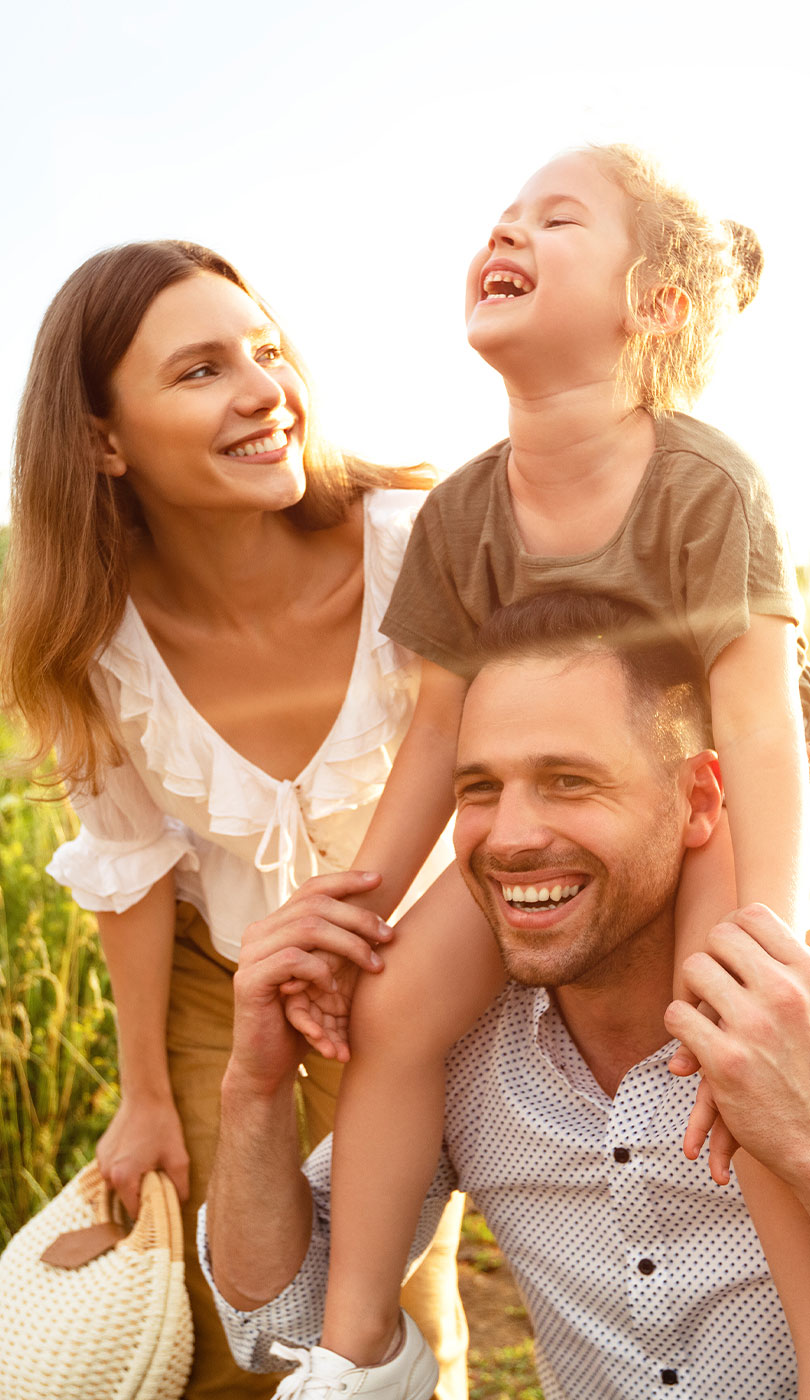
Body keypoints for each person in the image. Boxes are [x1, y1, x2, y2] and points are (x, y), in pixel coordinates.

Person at [265, 142, 810, 1392]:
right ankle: (351, 1353)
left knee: (740, 1039)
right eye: (500, 218)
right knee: (399, 1008)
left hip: (704, 809)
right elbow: (440, 746)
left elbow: (762, 727)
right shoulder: (463, 515)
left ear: (652, 307)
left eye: (554, 221)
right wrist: (358, 908)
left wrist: (766, 938)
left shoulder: (706, 484)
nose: (505, 235)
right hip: (545, 810)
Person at [0, 241, 468, 1400]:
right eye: (201, 370)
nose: (265, 389)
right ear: (103, 440)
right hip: (227, 983)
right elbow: (130, 866)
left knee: (395, 1315)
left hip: (431, 975)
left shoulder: (417, 543)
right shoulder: (87, 636)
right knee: (228, 1329)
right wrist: (147, 1095)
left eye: (267, 350)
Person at [201, 590, 810, 1400]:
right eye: (479, 789)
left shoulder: (787, 1007)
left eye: (569, 780)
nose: (511, 836)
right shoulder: (450, 1038)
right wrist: (255, 1087)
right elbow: (281, 1317)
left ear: (700, 801)